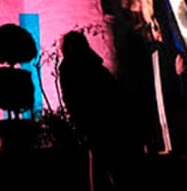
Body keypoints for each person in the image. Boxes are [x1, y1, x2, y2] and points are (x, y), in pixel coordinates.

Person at [58, 30, 146, 190]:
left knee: (103, 159)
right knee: (104, 159)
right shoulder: (83, 65)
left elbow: (71, 97)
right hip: (98, 119)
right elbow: (72, 97)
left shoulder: (80, 65)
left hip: (100, 119)